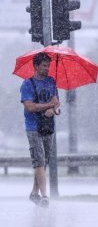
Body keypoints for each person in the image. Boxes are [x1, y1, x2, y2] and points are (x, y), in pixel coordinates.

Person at [20, 52, 60, 207]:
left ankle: (33, 193)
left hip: (48, 126)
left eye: (48, 65)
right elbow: (29, 106)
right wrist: (48, 105)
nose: (47, 68)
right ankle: (44, 196)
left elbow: (56, 101)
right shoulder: (27, 84)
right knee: (39, 161)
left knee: (44, 162)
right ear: (35, 66)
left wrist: (53, 108)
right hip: (33, 127)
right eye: (44, 65)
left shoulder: (51, 82)